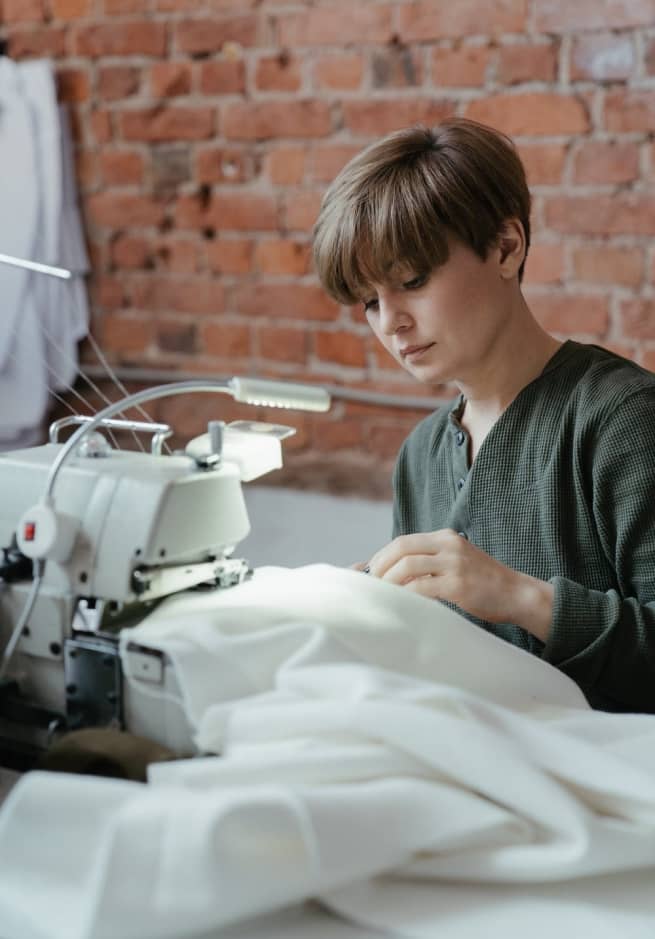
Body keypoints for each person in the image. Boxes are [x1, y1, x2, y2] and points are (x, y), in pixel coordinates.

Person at [312, 118, 655, 713]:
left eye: (411, 281)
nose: (390, 323)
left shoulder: (623, 421)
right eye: (370, 302)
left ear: (506, 247)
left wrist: (521, 598)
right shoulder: (421, 455)